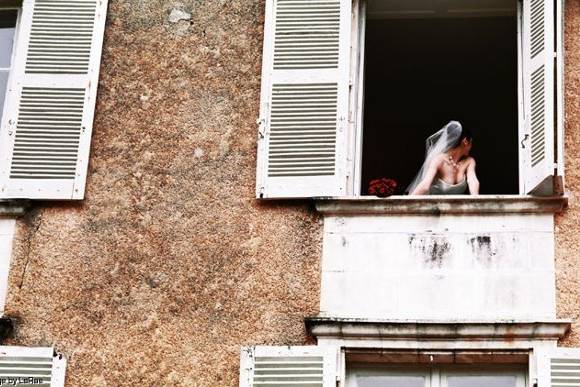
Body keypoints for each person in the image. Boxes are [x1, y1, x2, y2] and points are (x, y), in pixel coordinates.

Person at [407, 121, 480, 195]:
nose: (471, 147)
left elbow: (473, 181)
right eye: (471, 142)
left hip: (457, 206)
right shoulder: (438, 160)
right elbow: (425, 185)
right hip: (436, 206)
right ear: (465, 141)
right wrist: (407, 203)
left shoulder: (469, 161)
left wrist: (476, 199)